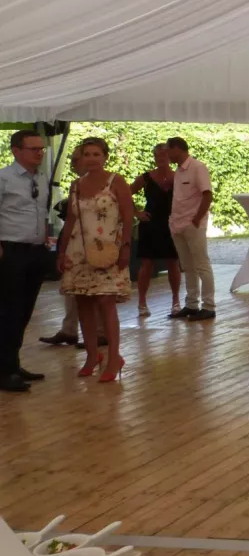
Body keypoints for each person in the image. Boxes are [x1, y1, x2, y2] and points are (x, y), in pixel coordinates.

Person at [57, 137, 134, 383]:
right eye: (87, 154)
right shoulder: (76, 185)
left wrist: (126, 247)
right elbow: (70, 220)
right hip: (79, 250)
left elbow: (128, 215)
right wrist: (62, 251)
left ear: (105, 157)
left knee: (105, 302)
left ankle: (114, 356)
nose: (91, 159)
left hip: (107, 250)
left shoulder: (116, 181)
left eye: (96, 154)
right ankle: (92, 355)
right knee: (83, 302)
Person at [39, 145, 105, 351]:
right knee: (72, 285)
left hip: (96, 241)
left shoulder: (106, 183)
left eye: (77, 159)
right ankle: (69, 329)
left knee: (96, 288)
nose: (74, 164)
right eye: (76, 159)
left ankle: (99, 332)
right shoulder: (77, 185)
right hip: (75, 240)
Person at [0, 129, 51, 393]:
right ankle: (5, 371)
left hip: (36, 250)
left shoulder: (41, 178)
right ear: (16, 151)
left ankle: (12, 363)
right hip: (11, 251)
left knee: (24, 311)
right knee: (8, 310)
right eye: (34, 149)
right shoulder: (4, 178)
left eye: (41, 149)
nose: (40, 153)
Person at [167, 136, 216, 321]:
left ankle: (209, 305)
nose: (167, 154)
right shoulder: (178, 171)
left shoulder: (197, 167)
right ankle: (192, 304)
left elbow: (207, 195)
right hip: (177, 223)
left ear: (177, 149)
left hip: (192, 223)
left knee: (201, 264)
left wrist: (196, 219)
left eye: (168, 150)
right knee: (187, 266)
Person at [130, 143, 181, 318]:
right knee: (146, 264)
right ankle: (141, 302)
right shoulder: (145, 177)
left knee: (173, 262)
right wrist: (136, 212)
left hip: (171, 223)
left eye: (164, 155)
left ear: (170, 157)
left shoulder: (178, 177)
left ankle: (176, 301)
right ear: (154, 157)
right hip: (150, 223)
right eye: (158, 155)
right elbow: (125, 193)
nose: (161, 158)